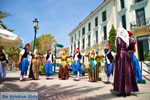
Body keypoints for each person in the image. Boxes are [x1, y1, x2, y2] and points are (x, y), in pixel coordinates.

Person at [114, 27, 139, 96]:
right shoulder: (127, 39)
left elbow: (118, 47)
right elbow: (134, 42)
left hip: (120, 56)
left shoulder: (118, 38)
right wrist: (131, 38)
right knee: (127, 72)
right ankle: (128, 90)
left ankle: (121, 90)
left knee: (120, 72)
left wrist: (117, 55)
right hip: (126, 55)